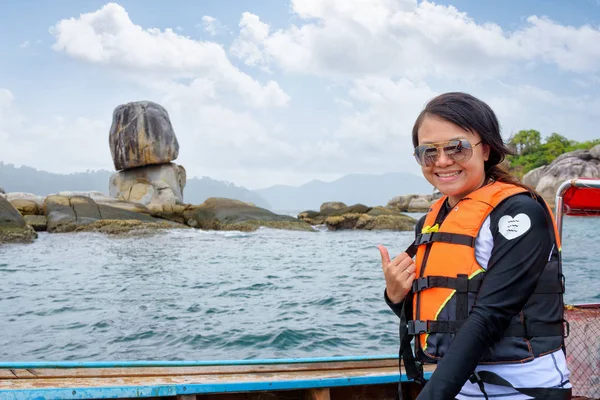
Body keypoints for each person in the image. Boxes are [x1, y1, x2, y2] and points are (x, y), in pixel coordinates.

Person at [378, 92, 571, 400]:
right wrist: (395, 296)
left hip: (524, 390)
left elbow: (490, 315)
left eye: (457, 148)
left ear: (486, 149)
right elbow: (439, 314)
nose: (442, 161)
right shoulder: (432, 221)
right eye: (428, 152)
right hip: (460, 389)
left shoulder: (520, 214)